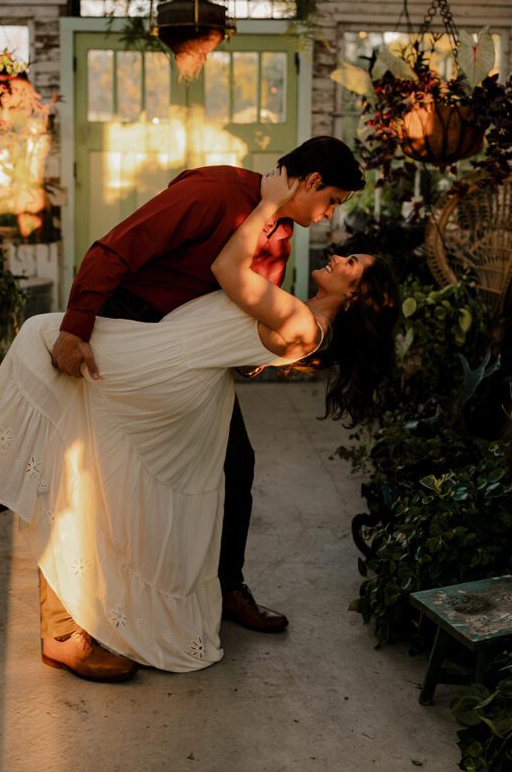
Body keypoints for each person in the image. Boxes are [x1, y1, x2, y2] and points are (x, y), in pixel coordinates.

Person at [0, 169, 400, 681]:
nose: (335, 247)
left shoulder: (303, 319)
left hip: (164, 372)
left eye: (350, 262)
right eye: (330, 201)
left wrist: (267, 205)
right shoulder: (259, 250)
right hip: (162, 359)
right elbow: (243, 326)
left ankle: (97, 609)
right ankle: (64, 628)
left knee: (102, 468)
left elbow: (228, 271)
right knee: (82, 444)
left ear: (355, 295)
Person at [47, 136, 365, 652]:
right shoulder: (213, 193)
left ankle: (224, 587)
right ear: (311, 181)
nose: (329, 215)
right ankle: (80, 613)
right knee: (108, 474)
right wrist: (76, 326)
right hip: (128, 334)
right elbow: (114, 249)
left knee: (234, 464)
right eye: (331, 200)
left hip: (194, 367)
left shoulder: (280, 237)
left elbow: (239, 312)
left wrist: (254, 352)